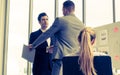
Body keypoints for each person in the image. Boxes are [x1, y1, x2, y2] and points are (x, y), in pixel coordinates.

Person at [29, 1, 85, 75]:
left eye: (62, 10)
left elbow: (47, 34)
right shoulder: (81, 24)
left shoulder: (60, 20)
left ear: (65, 9)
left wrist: (33, 45)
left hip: (61, 59)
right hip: (75, 59)